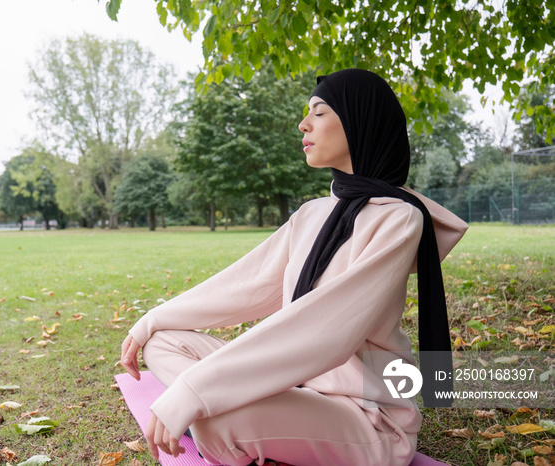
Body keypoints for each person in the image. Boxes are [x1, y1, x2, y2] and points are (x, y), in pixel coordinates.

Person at [120, 69, 468, 466]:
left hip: (365, 415)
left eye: (318, 112)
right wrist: (151, 319)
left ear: (359, 121)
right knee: (164, 341)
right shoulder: (312, 214)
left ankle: (231, 421)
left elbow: (325, 328)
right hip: (294, 388)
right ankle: (245, 420)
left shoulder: (400, 219)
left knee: (213, 422)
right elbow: (246, 284)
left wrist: (194, 390)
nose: (303, 124)